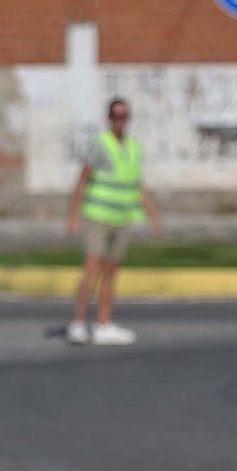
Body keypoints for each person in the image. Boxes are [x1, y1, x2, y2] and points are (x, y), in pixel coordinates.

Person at [66, 98, 161, 346]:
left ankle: (103, 324)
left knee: (110, 274)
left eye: (125, 116)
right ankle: (77, 323)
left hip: (121, 218)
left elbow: (135, 184)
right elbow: (82, 180)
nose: (121, 120)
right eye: (116, 116)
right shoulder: (101, 145)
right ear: (109, 118)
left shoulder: (133, 147)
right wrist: (73, 216)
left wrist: (152, 214)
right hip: (97, 217)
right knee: (91, 271)